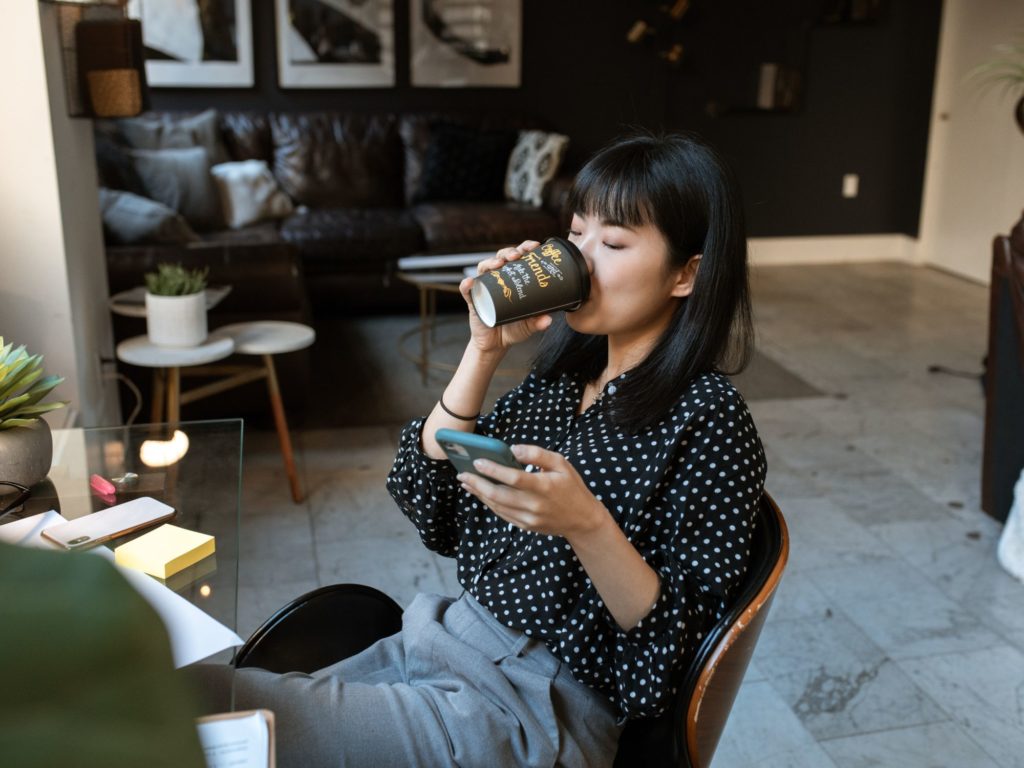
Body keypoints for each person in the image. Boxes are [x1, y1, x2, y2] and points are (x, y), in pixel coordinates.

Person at [192, 131, 767, 768]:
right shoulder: (560, 384)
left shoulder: (709, 419)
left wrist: (587, 526)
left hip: (529, 710)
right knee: (197, 698)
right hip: (435, 645)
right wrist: (483, 349)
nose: (582, 257)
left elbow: (674, 663)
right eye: (576, 235)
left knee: (210, 722)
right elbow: (428, 503)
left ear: (686, 273)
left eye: (613, 242)